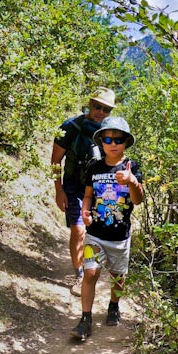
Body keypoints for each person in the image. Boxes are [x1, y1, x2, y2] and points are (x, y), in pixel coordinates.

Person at [72, 116, 144, 342]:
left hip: (120, 238)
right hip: (96, 235)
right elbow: (88, 195)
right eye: (108, 138)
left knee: (117, 277)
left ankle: (114, 305)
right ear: (101, 141)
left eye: (118, 139)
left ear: (126, 142)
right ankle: (85, 319)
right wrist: (85, 212)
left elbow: (138, 199)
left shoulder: (133, 167)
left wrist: (131, 180)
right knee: (91, 273)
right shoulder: (94, 167)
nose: (113, 143)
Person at [51, 87, 117, 294]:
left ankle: (92, 272)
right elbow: (55, 161)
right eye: (97, 106)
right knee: (78, 230)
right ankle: (79, 275)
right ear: (89, 104)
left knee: (97, 233)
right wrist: (58, 190)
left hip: (100, 189)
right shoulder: (71, 127)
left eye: (106, 109)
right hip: (73, 185)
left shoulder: (111, 132)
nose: (100, 112)